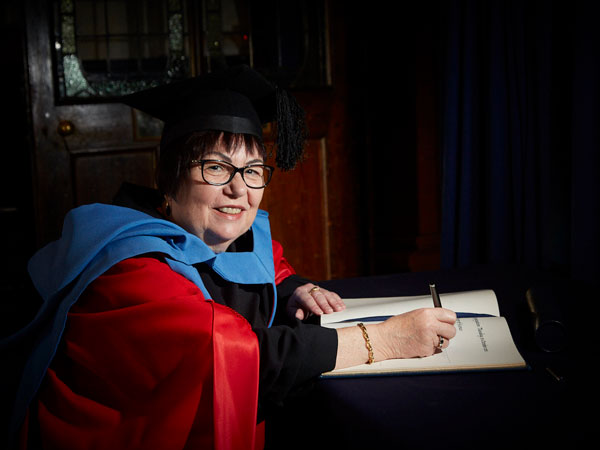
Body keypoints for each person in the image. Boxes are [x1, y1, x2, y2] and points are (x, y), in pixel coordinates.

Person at [5, 65, 456, 450]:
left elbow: (263, 267)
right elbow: (240, 357)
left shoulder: (224, 232)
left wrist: (293, 288)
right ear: (169, 178)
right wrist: (386, 340)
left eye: (253, 170)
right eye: (216, 167)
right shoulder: (128, 268)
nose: (239, 189)